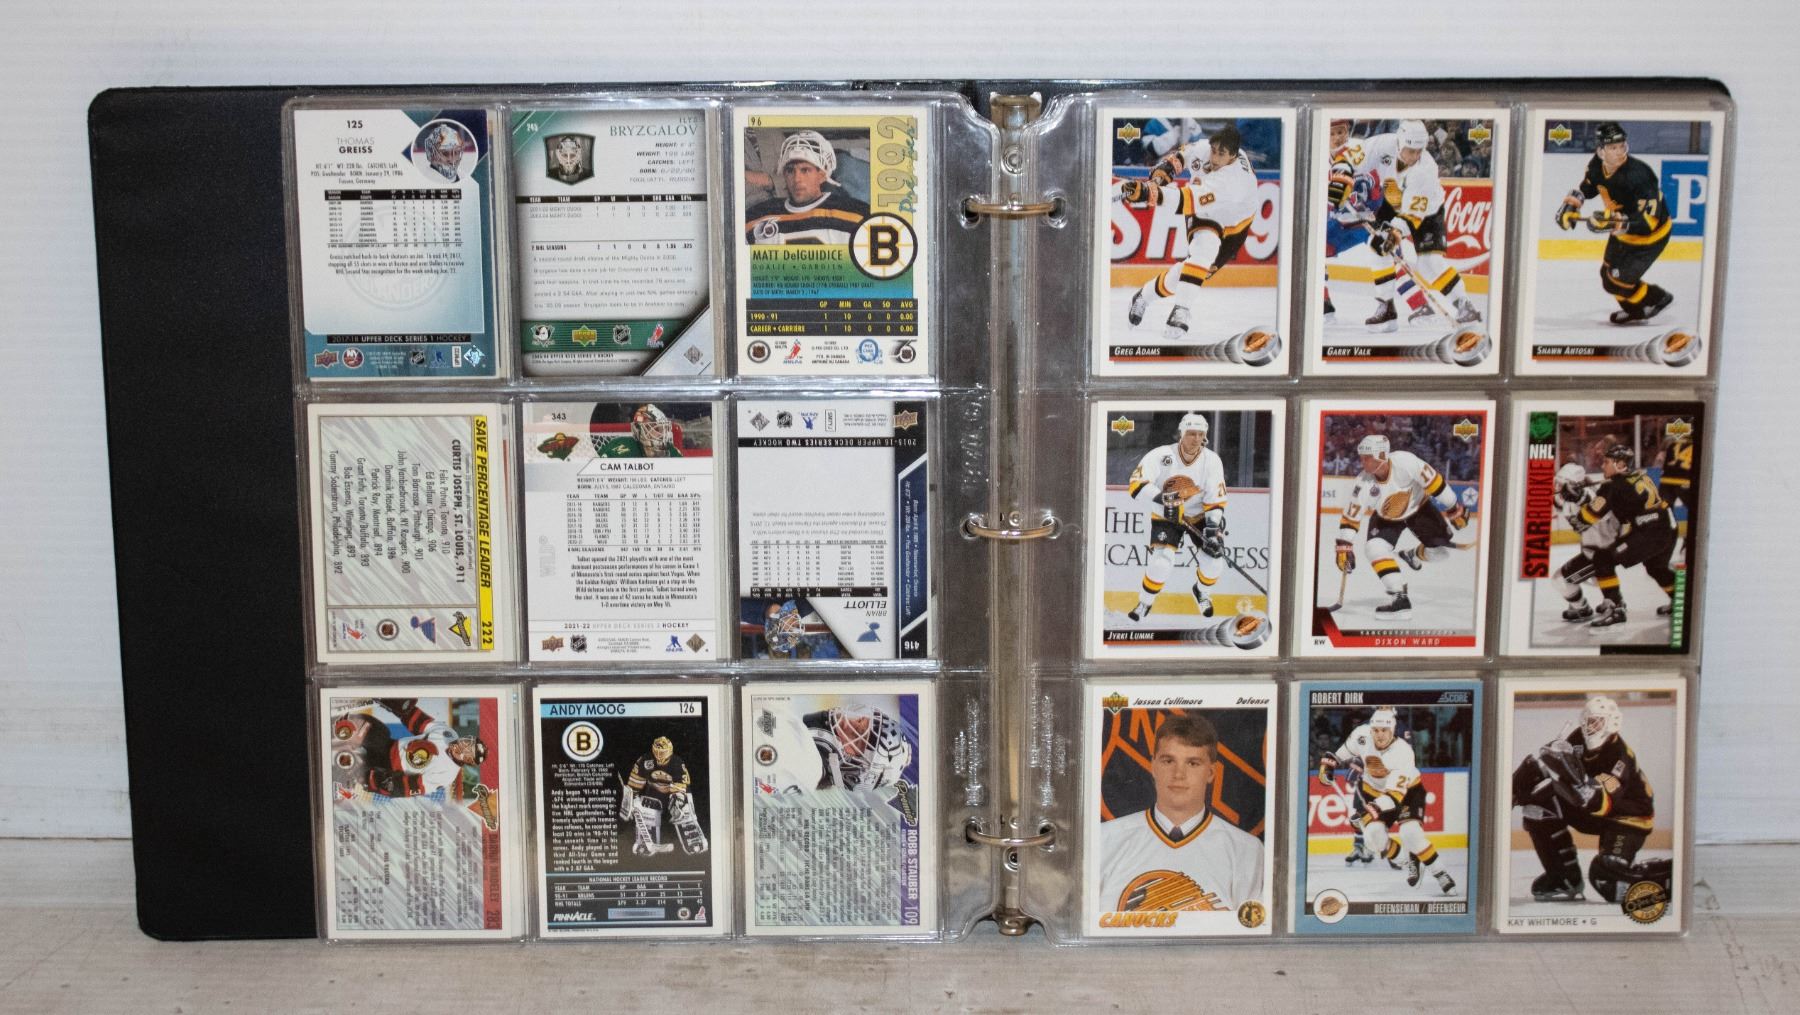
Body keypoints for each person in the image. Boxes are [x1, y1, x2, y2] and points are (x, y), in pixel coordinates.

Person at [1097, 714, 1263, 915]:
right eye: (1168, 761)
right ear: (1153, 766)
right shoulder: (1104, 839)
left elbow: (1250, 930)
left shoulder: (1246, 850)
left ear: (1211, 772)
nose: (1178, 774)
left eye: (1193, 763)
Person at [1510, 696, 1671, 902]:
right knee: (1537, 809)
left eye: (1597, 721)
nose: (1589, 726)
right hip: (1591, 809)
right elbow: (1545, 765)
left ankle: (1665, 878)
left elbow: (1601, 803)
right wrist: (1516, 789)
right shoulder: (1578, 738)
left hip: (1627, 819)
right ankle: (1564, 879)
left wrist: (1577, 781)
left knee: (1607, 878)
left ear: (1612, 723)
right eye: (1587, 720)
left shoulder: (1619, 755)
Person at [1117, 123, 1262, 342]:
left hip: (1236, 225)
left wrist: (1148, 193)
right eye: (1214, 150)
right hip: (1206, 214)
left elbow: (1185, 199)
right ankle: (1181, 311)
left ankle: (1143, 296)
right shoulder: (1204, 148)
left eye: (1221, 154)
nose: (1214, 157)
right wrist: (1159, 178)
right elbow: (1179, 158)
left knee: (1192, 271)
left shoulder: (1233, 181)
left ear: (1233, 156)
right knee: (1204, 250)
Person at [1333, 120, 1481, 331]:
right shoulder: (1383, 144)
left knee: (1429, 264)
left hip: (1427, 212)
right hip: (1393, 201)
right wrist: (1341, 178)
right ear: (1399, 143)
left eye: (1419, 151)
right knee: (1377, 246)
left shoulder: (1425, 170)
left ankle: (1464, 305)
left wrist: (1394, 234)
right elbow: (1349, 158)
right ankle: (1387, 308)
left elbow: (1412, 215)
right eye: (1410, 151)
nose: (1414, 156)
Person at [1333, 433, 1470, 620]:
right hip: (1386, 518)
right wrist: (1344, 545)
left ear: (1381, 455)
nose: (1362, 461)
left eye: (1367, 457)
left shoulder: (1406, 462)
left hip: (1420, 509)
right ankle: (1400, 599)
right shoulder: (1362, 483)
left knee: (1440, 553)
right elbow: (1351, 518)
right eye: (1361, 457)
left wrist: (1453, 508)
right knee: (1373, 548)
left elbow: (1436, 483)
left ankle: (1413, 555)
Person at [1319, 708, 1456, 893]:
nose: (1379, 735)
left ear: (1392, 730)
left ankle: (1440, 873)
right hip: (1374, 792)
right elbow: (1340, 754)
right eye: (1376, 730)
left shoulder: (1403, 752)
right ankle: (1409, 862)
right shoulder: (1361, 735)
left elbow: (1393, 797)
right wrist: (1329, 765)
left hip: (1407, 793)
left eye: (1384, 730)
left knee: (1410, 833)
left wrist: (1370, 811)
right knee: (1372, 838)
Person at [1555, 122, 1676, 325]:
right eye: (1613, 147)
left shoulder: (1640, 174)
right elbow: (1589, 187)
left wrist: (1614, 223)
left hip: (1650, 238)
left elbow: (1649, 221)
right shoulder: (1596, 165)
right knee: (1607, 277)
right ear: (1600, 151)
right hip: (1622, 232)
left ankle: (1657, 297)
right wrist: (1572, 205)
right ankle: (1635, 311)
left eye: (1621, 146)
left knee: (1617, 280)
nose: (1620, 151)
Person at [1553, 443, 1678, 628]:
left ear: (1620, 465)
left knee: (1603, 559)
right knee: (1656, 568)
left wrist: (1578, 498)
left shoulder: (1611, 487)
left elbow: (1584, 520)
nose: (1602, 465)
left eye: (1607, 462)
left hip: (1650, 534)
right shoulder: (1639, 475)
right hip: (1669, 527)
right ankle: (1680, 600)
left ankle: (1616, 609)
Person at [1124, 413, 1229, 623]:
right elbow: (1136, 484)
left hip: (1198, 515)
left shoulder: (1211, 460)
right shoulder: (1162, 455)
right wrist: (1164, 499)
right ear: (1181, 434)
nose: (1196, 439)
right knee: (1161, 562)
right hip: (1167, 515)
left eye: (1200, 434)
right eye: (1191, 433)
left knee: (1214, 562)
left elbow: (1215, 500)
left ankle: (1202, 592)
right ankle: (1145, 602)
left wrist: (1212, 528)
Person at [330, 698, 486, 800]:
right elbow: (418, 721)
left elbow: (414, 786)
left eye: (468, 751)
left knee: (351, 770)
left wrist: (390, 785)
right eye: (468, 742)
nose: (463, 746)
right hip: (388, 745)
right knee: (365, 725)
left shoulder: (447, 774)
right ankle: (330, 724)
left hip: (388, 769)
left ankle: (335, 779)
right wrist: (401, 706)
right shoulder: (449, 734)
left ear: (468, 761)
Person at [743, 130, 870, 245]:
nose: (797, 179)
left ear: (822, 175)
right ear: (784, 175)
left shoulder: (858, 215)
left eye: (805, 170)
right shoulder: (754, 218)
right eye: (790, 171)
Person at [619, 736, 708, 856]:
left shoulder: (677, 762)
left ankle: (694, 840)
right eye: (657, 751)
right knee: (647, 808)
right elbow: (636, 780)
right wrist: (631, 799)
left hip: (675, 791)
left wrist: (678, 799)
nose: (659, 755)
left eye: (662, 752)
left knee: (682, 809)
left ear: (670, 750)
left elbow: (682, 783)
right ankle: (645, 842)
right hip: (655, 791)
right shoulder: (645, 760)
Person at [590, 403, 681, 458]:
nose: (662, 434)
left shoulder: (670, 450)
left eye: (663, 429)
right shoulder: (623, 449)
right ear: (639, 429)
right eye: (657, 428)